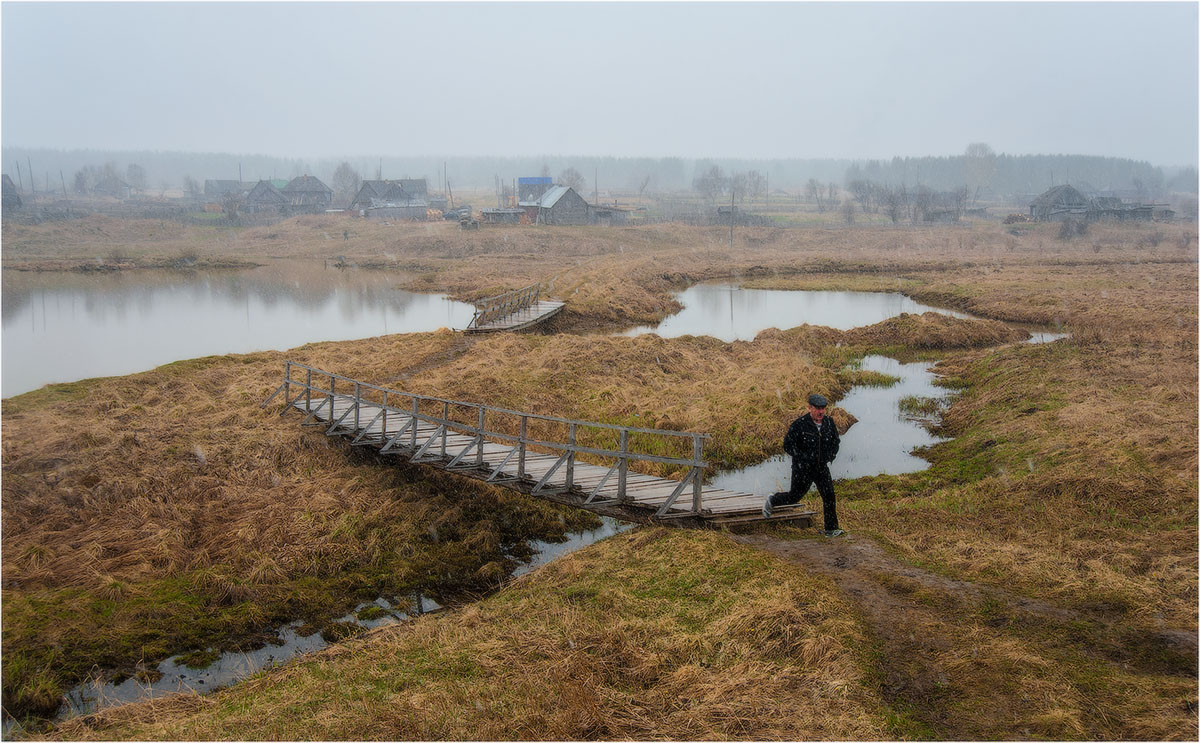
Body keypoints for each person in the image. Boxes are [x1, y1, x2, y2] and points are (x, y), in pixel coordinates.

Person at [763, 393, 844, 537]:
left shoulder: (829, 423)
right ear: (810, 408)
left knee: (829, 496)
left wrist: (830, 455)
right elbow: (788, 445)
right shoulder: (799, 424)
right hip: (803, 469)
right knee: (794, 497)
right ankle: (772, 500)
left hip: (821, 468)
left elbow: (835, 441)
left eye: (823, 408)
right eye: (817, 408)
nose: (821, 412)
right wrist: (803, 458)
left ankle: (831, 529)